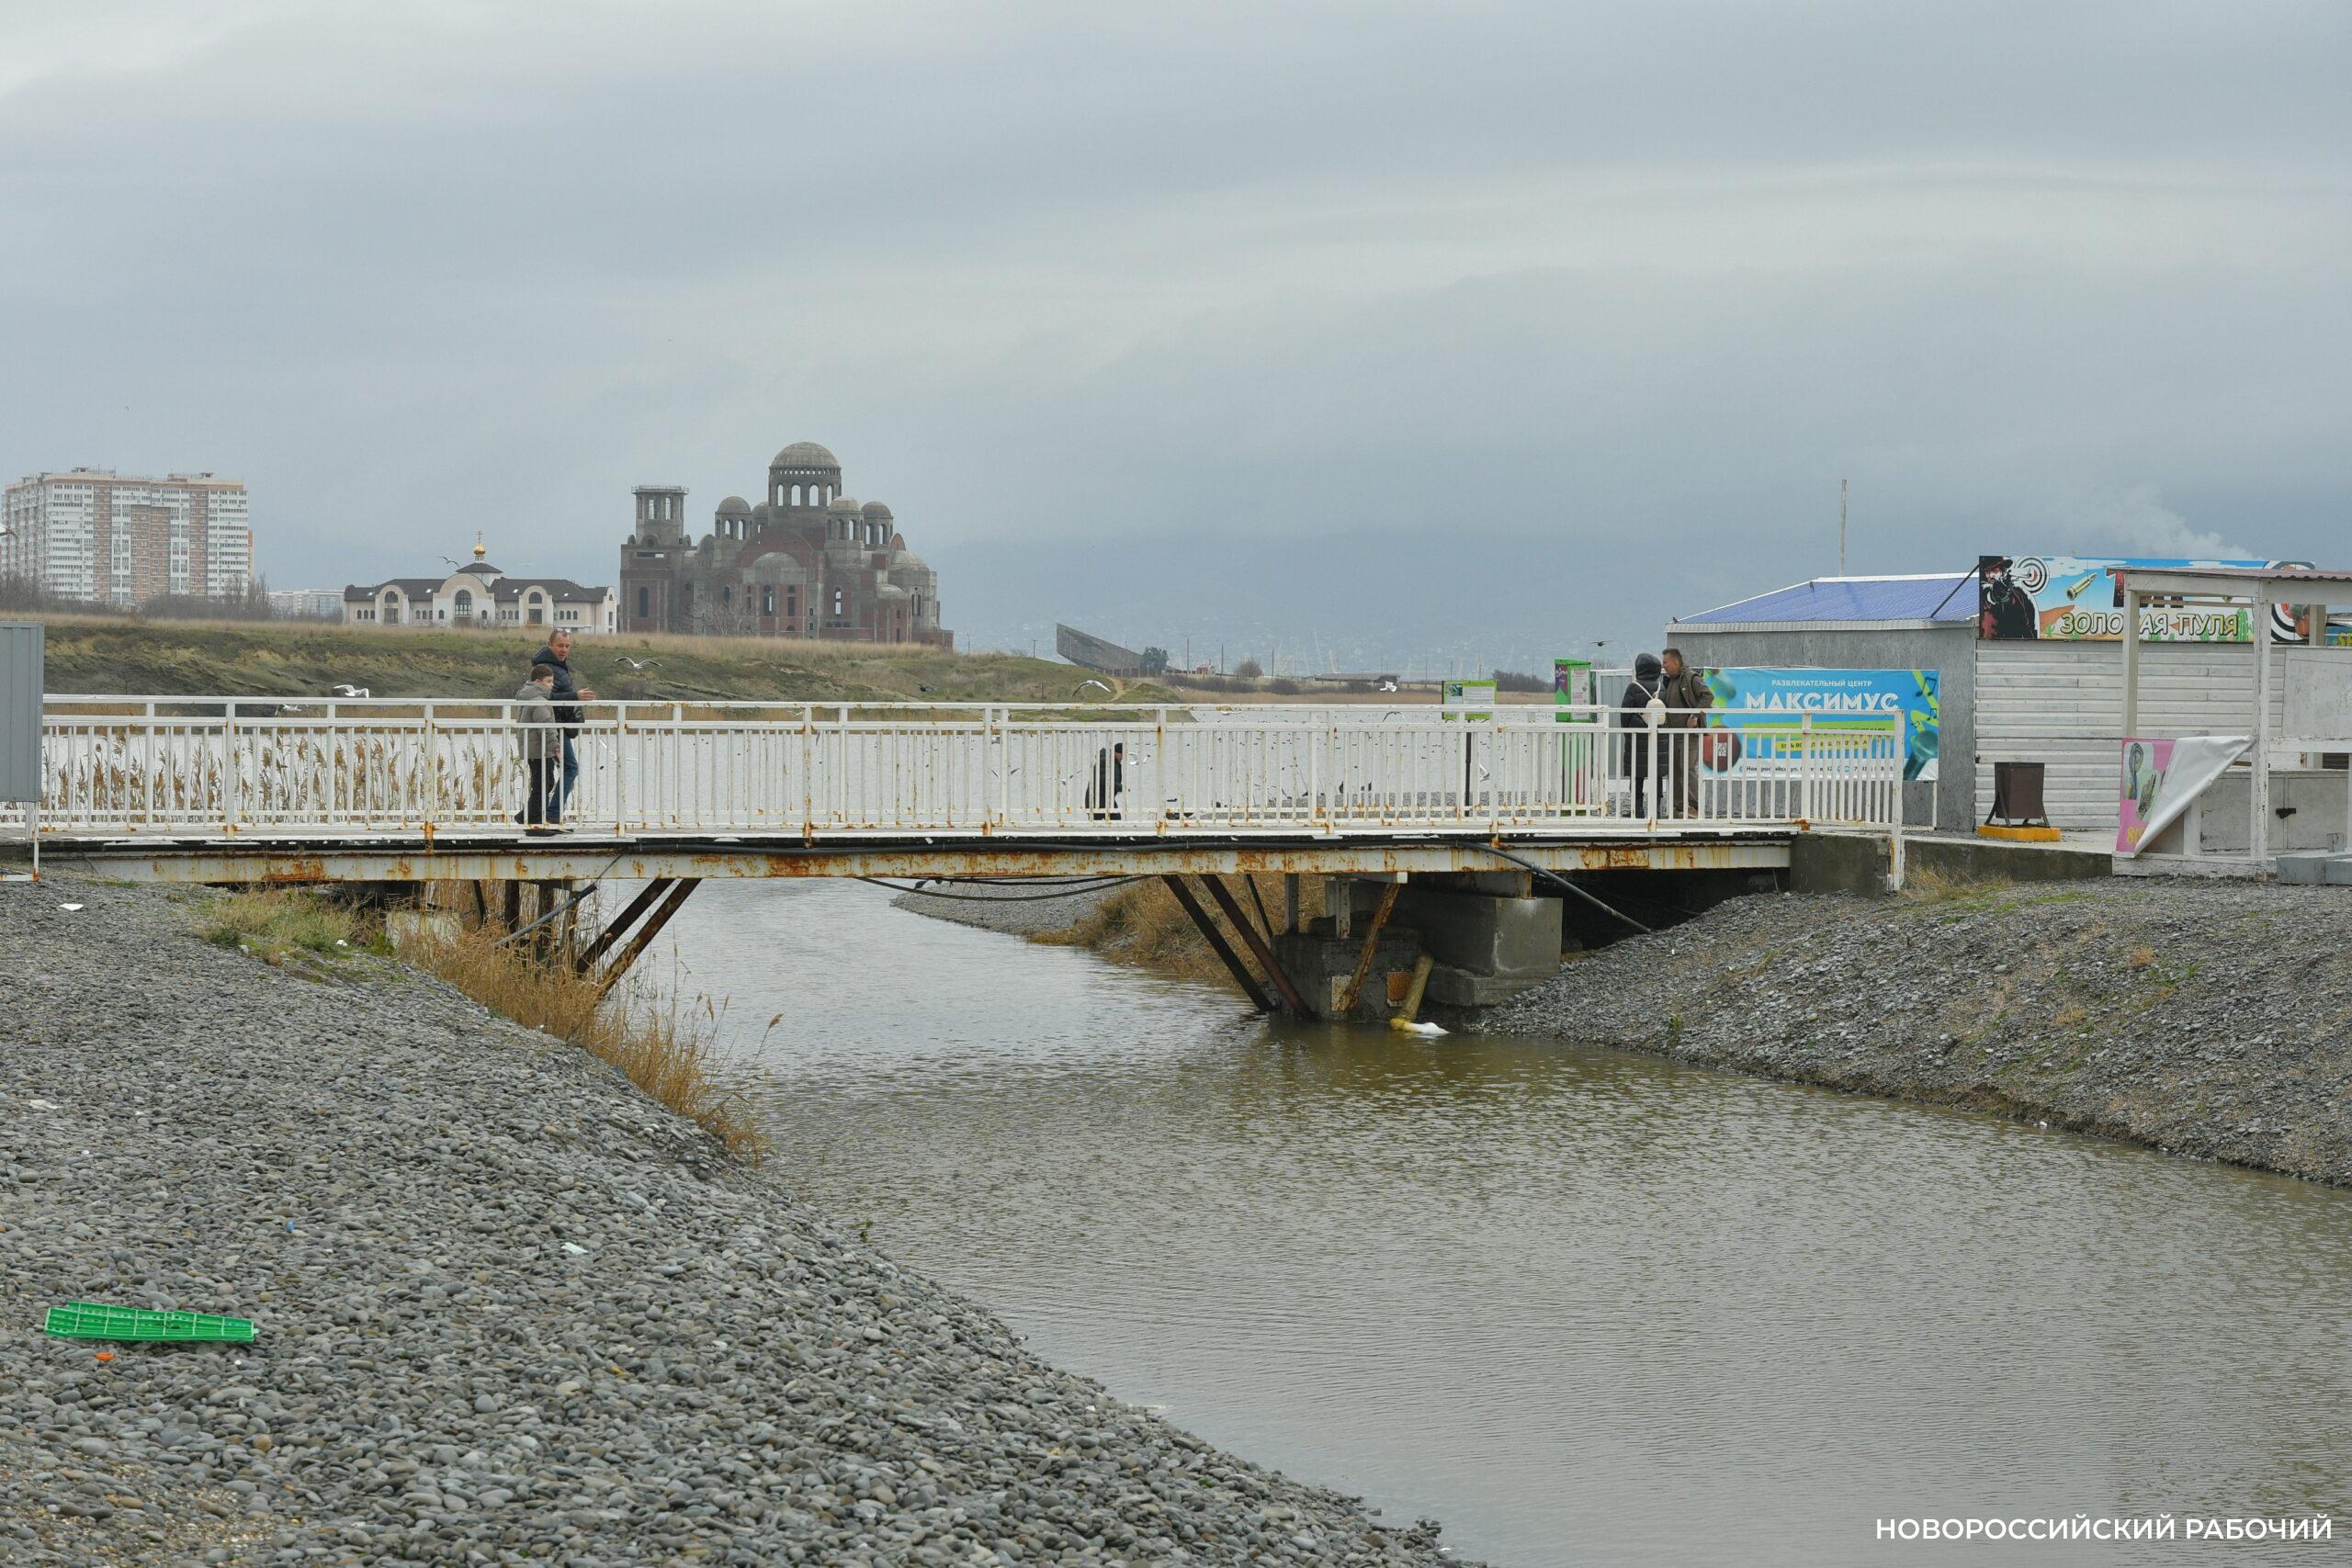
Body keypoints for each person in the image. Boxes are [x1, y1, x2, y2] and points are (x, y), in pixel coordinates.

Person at [531, 629, 597, 821]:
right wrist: (574, 696)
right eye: (560, 645)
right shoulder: (546, 668)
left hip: (558, 726)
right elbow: (543, 697)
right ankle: (552, 814)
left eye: (567, 646)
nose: (564, 650)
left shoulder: (558, 667)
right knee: (570, 768)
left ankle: (537, 814)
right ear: (549, 644)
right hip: (554, 726)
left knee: (550, 775)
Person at [1659, 647, 1710, 817]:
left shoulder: (1690, 677)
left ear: (1675, 662)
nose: (1663, 665)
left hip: (1689, 734)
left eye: (1665, 662)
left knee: (1687, 768)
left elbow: (1708, 696)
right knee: (1674, 770)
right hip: (1673, 733)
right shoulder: (1671, 680)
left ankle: (1696, 807)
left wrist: (1694, 715)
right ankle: (1680, 807)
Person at [514, 663, 562, 832]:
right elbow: (546, 726)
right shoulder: (539, 700)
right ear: (538, 681)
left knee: (544, 782)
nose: (552, 685)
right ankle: (534, 822)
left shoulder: (528, 696)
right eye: (549, 681)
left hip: (533, 748)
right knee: (543, 783)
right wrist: (555, 746)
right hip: (539, 749)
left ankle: (527, 815)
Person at [1618, 652, 1665, 817]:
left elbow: (1625, 715)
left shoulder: (1634, 687)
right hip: (1659, 740)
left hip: (1637, 739)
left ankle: (1637, 810)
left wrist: (1631, 733)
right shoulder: (1662, 686)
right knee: (1657, 773)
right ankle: (1657, 810)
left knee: (1636, 775)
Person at [1087, 741, 1125, 820]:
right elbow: (1103, 780)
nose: (1122, 758)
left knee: (1115, 820)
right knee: (1114, 820)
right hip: (1096, 800)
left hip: (1105, 799)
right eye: (1121, 755)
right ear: (1115, 752)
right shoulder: (1105, 761)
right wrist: (1121, 787)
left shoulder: (1113, 762)